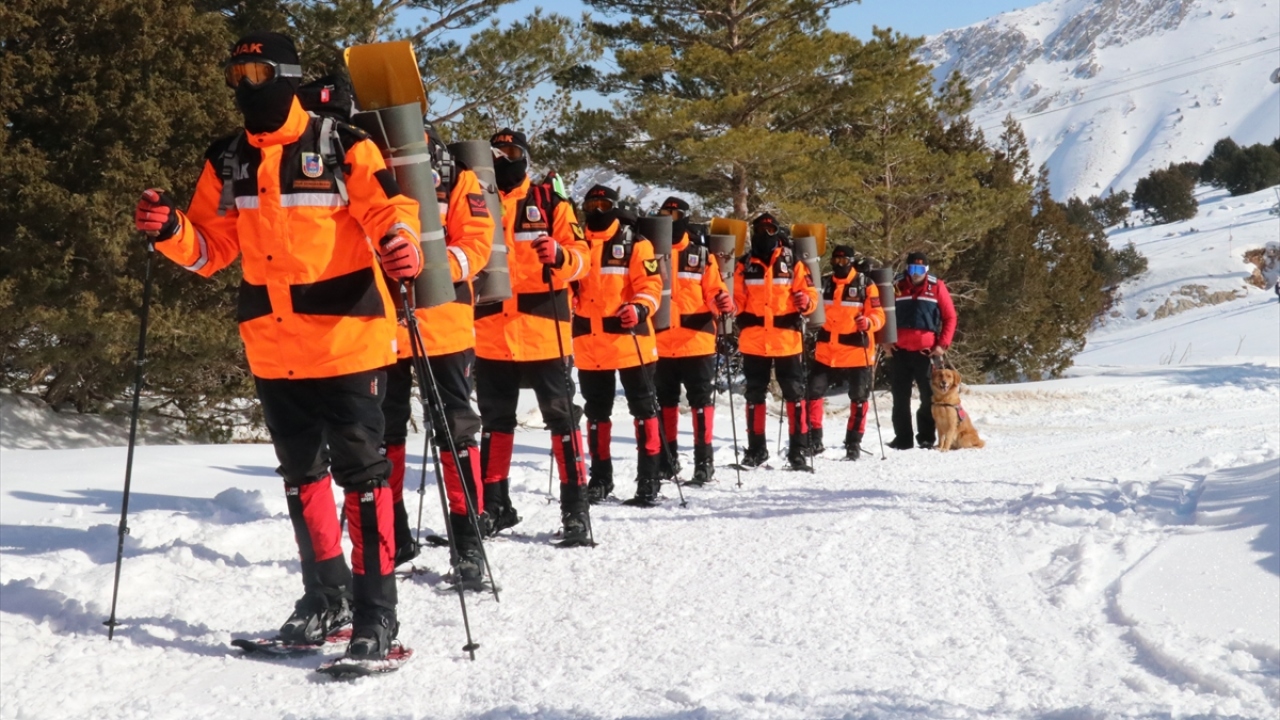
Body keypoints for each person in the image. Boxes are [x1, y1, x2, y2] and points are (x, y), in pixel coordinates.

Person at [133, 32, 420, 659]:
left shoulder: (343, 143)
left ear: (286, 75)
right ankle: (326, 599)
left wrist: (403, 241)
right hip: (274, 345)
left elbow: (388, 210)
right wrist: (172, 230)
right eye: (236, 73)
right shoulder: (227, 158)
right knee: (301, 477)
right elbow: (213, 249)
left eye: (257, 71)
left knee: (363, 479)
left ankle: (377, 614)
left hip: (348, 340)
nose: (245, 84)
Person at [379, 125, 494, 583]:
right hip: (382, 325)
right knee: (381, 434)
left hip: (443, 325)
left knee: (454, 431)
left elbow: (478, 243)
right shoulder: (367, 162)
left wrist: (431, 268)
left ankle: (468, 543)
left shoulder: (457, 175)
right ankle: (394, 533)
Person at [471, 129, 594, 546]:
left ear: (525, 156)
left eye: (513, 151)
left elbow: (583, 260)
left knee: (562, 419)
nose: (505, 158)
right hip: (491, 334)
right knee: (494, 423)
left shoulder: (550, 202)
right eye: (497, 152)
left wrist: (561, 257)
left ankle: (575, 509)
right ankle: (493, 505)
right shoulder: (476, 201)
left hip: (546, 333)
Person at [573, 186, 665, 505]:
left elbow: (651, 285)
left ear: (614, 207)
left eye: (604, 204)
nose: (597, 210)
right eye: (591, 204)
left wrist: (639, 307)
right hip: (588, 343)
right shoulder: (575, 242)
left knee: (643, 411)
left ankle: (649, 478)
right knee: (597, 415)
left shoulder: (635, 244)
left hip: (631, 342)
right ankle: (600, 479)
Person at [653, 196, 732, 486]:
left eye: (675, 214)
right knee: (665, 404)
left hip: (697, 342)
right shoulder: (650, 250)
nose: (670, 218)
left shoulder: (701, 253)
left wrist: (722, 301)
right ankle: (666, 460)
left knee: (700, 404)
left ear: (685, 218)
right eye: (665, 213)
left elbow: (714, 289)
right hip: (661, 343)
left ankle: (704, 462)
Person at [733, 213, 819, 470]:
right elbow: (737, 297)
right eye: (761, 229)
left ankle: (798, 451)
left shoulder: (793, 262)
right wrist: (730, 307)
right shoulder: (744, 264)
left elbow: (810, 292)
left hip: (786, 340)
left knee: (794, 395)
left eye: (771, 230)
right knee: (754, 395)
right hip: (754, 340)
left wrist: (807, 301)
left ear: (777, 232)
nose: (766, 234)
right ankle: (756, 451)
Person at [804, 246, 885, 460]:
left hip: (857, 352)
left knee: (859, 398)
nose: (839, 264)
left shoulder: (865, 284)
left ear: (851, 261)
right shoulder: (825, 282)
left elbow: (879, 314)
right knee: (813, 393)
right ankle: (814, 439)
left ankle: (853, 443)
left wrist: (868, 322)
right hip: (826, 352)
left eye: (844, 260)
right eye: (836, 260)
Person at [888, 251, 957, 450]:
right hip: (900, 351)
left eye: (920, 269)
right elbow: (884, 313)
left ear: (926, 270)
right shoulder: (897, 285)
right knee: (900, 398)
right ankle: (902, 439)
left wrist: (941, 345)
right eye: (912, 268)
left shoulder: (937, 287)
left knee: (928, 397)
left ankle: (926, 437)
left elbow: (950, 317)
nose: (915, 273)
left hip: (926, 353)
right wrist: (884, 341)